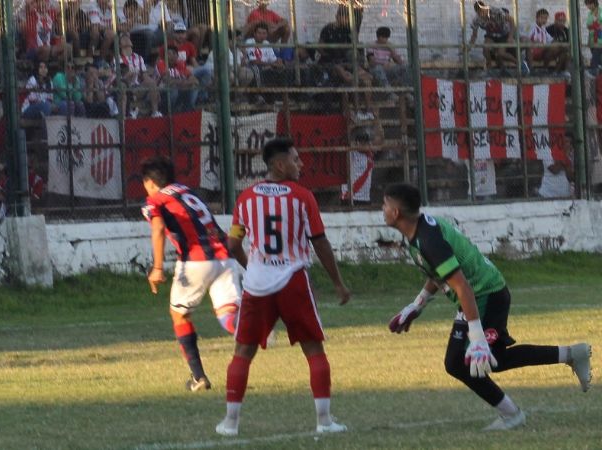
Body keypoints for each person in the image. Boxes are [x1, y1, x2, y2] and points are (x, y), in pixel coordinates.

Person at [382, 183, 592, 431]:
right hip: (476, 297)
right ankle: (570, 355)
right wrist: (417, 305)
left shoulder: (428, 240)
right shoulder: (418, 233)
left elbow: (462, 286)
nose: (382, 209)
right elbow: (441, 273)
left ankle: (513, 415)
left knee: (471, 361)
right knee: (473, 362)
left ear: (396, 212)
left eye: (385, 205)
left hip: (486, 295)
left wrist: (478, 339)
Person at [216, 137, 351, 436]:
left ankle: (230, 424)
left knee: (242, 352)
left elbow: (233, 242)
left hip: (257, 283)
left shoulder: (245, 199)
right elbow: (320, 242)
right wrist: (338, 283)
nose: (301, 164)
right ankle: (324, 421)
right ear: (279, 165)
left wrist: (252, 267)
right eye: (295, 159)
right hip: (293, 278)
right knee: (313, 349)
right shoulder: (303, 197)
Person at [140, 156, 241, 392]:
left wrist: (157, 268)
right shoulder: (190, 192)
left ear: (151, 183)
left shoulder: (155, 200)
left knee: (179, 316)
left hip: (195, 261)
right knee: (229, 317)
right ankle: (257, 328)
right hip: (225, 258)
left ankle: (198, 377)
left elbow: (158, 228)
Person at [468, 1, 522, 75]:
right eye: (480, 13)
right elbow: (474, 35)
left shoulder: (496, 12)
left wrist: (510, 36)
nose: (483, 15)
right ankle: (489, 67)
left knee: (500, 54)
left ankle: (519, 62)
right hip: (491, 35)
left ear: (485, 8)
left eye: (483, 11)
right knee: (485, 48)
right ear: (477, 13)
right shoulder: (477, 19)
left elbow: (511, 20)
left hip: (503, 34)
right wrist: (470, 46)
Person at [367, 26, 411, 102]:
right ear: (378, 37)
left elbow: (399, 62)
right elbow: (372, 62)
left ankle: (406, 91)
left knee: (405, 67)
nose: (385, 40)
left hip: (387, 69)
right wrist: (383, 64)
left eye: (386, 38)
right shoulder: (371, 45)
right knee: (378, 68)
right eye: (383, 37)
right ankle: (389, 94)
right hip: (376, 70)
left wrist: (391, 50)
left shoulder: (389, 45)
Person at [545, 11, 571, 75]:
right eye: (560, 20)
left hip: (562, 51)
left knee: (566, 52)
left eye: (563, 21)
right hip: (549, 51)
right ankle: (545, 69)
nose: (562, 22)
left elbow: (569, 43)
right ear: (555, 21)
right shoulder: (549, 29)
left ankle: (559, 71)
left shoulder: (566, 31)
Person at [585, 0, 602, 74]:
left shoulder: (600, 12)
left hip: (599, 35)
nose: (588, 6)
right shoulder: (590, 13)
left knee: (596, 53)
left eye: (589, 4)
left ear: (594, 3)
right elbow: (589, 25)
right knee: (597, 55)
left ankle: (593, 70)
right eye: (587, 4)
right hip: (592, 36)